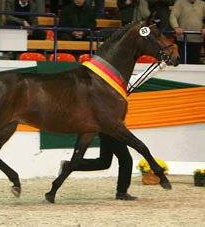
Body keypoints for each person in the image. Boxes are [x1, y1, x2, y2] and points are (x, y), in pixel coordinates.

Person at [60, 62, 167, 201]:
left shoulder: (116, 84)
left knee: (104, 162)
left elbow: (144, 76)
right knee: (126, 160)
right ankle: (121, 193)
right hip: (112, 129)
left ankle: (70, 165)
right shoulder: (114, 85)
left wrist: (161, 65)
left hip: (106, 128)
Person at [169, 0, 205, 64]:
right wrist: (176, 27)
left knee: (195, 62)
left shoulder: (203, 4)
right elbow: (173, 16)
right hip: (182, 39)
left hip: (197, 39)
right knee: (182, 62)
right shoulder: (179, 3)